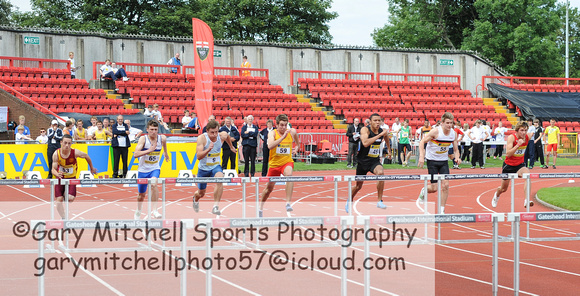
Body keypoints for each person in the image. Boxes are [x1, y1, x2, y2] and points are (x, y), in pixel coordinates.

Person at [345, 113, 391, 213]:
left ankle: (379, 200)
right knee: (358, 186)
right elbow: (365, 143)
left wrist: (389, 150)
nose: (377, 122)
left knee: (380, 173)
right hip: (362, 161)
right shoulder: (365, 130)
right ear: (370, 122)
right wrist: (379, 135)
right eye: (375, 120)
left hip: (374, 161)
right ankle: (349, 200)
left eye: (379, 120)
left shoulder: (382, 131)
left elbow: (386, 138)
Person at [418, 112, 461, 214]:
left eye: (451, 123)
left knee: (445, 185)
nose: (449, 125)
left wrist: (457, 158)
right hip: (432, 160)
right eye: (447, 123)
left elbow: (456, 149)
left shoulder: (453, 134)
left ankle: (441, 210)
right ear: (442, 123)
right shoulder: (435, 132)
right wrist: (421, 156)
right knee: (434, 188)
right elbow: (422, 142)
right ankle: (425, 190)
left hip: (443, 161)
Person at [259, 114, 300, 217]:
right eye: (281, 125)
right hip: (274, 165)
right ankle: (260, 207)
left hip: (286, 162)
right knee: (269, 189)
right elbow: (270, 146)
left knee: (289, 175)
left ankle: (287, 203)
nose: (283, 127)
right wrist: (282, 137)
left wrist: (297, 147)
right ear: (276, 125)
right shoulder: (272, 133)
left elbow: (296, 138)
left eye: (285, 125)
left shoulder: (291, 132)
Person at [192, 119, 236, 215]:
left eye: (216, 132)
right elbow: (198, 156)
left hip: (215, 166)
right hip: (203, 168)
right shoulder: (202, 138)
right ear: (207, 131)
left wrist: (231, 147)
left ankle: (215, 206)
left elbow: (227, 136)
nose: (214, 134)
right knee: (201, 193)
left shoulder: (221, 136)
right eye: (212, 132)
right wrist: (208, 149)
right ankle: (195, 199)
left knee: (220, 178)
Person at [51, 134, 97, 219]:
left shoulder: (75, 152)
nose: (67, 145)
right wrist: (57, 174)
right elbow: (53, 169)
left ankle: (66, 194)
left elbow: (86, 155)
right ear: (61, 142)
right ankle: (64, 217)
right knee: (58, 202)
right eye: (65, 143)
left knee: (70, 199)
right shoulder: (56, 154)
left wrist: (91, 168)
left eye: (69, 143)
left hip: (71, 178)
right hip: (60, 178)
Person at [491, 121, 533, 208]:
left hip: (520, 165)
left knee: (527, 175)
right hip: (509, 165)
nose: (524, 132)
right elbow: (508, 154)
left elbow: (532, 133)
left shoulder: (528, 136)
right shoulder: (511, 137)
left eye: (525, 130)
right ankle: (497, 195)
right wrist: (518, 145)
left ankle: (526, 200)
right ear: (517, 131)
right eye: (521, 130)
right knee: (503, 189)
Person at [133, 120, 169, 219]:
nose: (153, 132)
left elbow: (164, 147)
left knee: (154, 184)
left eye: (155, 129)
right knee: (141, 195)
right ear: (147, 129)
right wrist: (149, 150)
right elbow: (135, 154)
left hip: (155, 168)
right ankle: (138, 210)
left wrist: (166, 154)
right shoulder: (143, 139)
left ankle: (155, 210)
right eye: (151, 129)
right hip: (143, 170)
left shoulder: (162, 138)